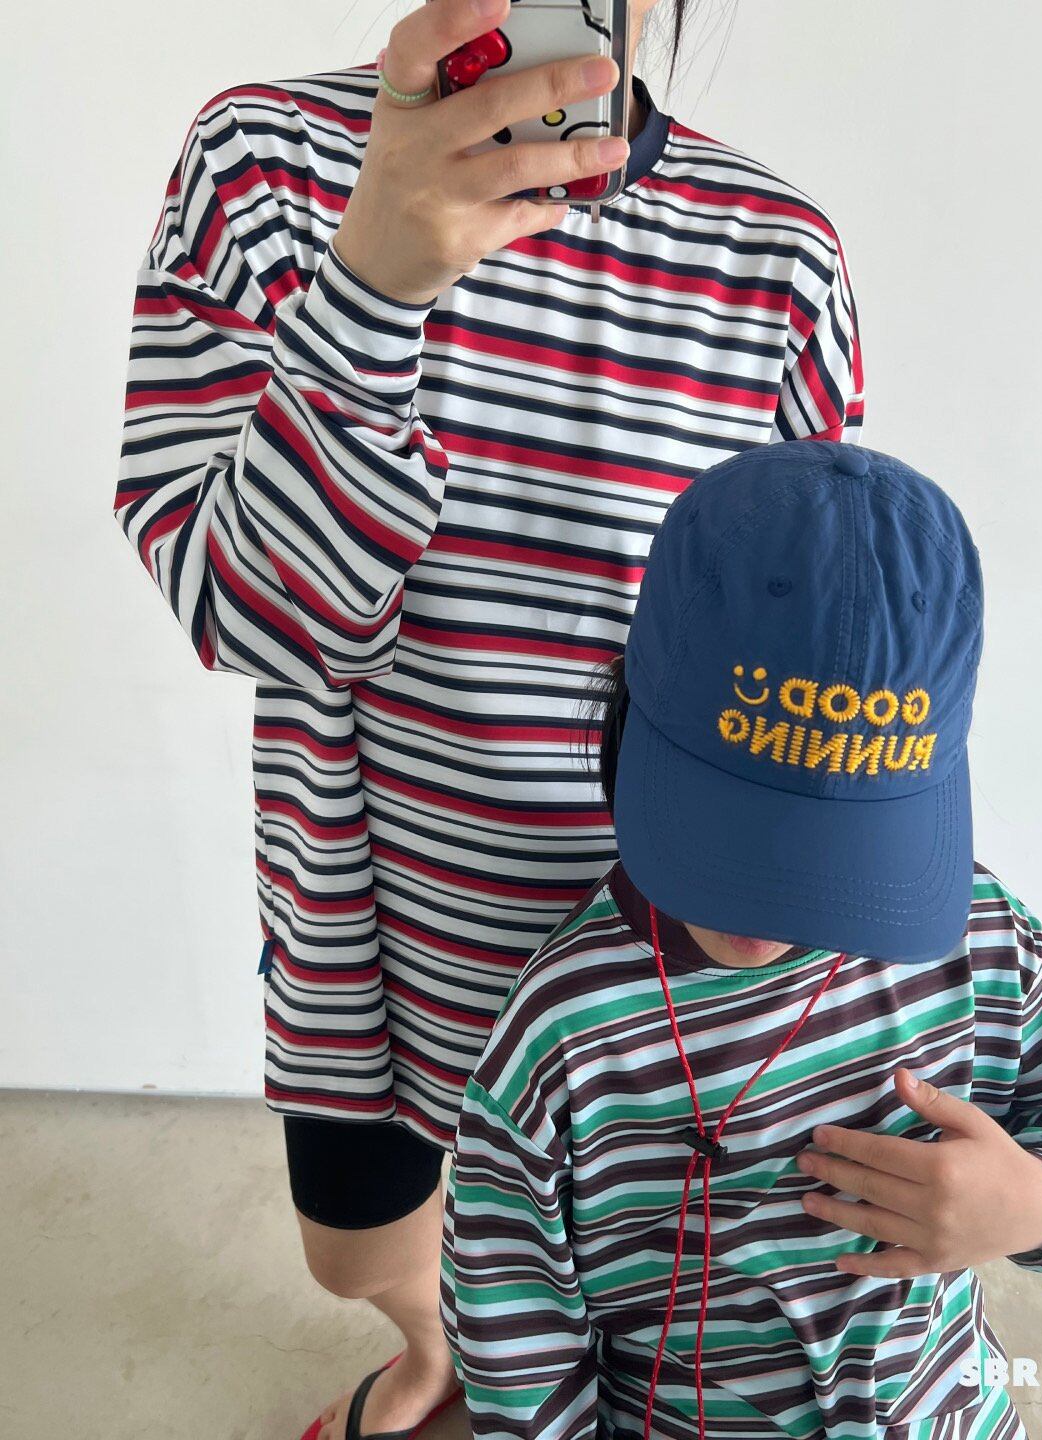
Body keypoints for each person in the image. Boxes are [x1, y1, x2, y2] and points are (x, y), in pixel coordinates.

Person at [113, 0, 863, 1433]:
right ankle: (434, 1345)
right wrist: (368, 294)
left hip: (654, 945)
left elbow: (799, 646)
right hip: (371, 924)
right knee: (357, 1249)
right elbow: (251, 619)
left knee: (617, 1272)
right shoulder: (261, 163)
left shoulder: (779, 251)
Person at [442, 439, 1042, 1440]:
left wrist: (1038, 1204)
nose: (776, 908)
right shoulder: (564, 1031)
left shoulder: (986, 944)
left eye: (836, 860)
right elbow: (512, 1326)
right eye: (736, 841)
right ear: (630, 716)